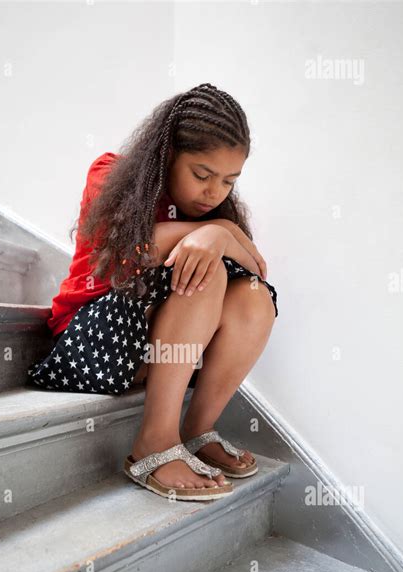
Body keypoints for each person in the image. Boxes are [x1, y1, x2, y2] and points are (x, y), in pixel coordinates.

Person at [27, 82, 278, 502]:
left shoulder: (217, 213)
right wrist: (219, 232)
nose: (214, 192)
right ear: (168, 155)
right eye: (202, 175)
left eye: (228, 182)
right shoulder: (110, 173)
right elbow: (131, 255)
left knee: (252, 294)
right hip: (89, 341)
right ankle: (155, 442)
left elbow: (257, 267)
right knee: (205, 271)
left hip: (152, 347)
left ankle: (196, 431)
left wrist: (226, 229)